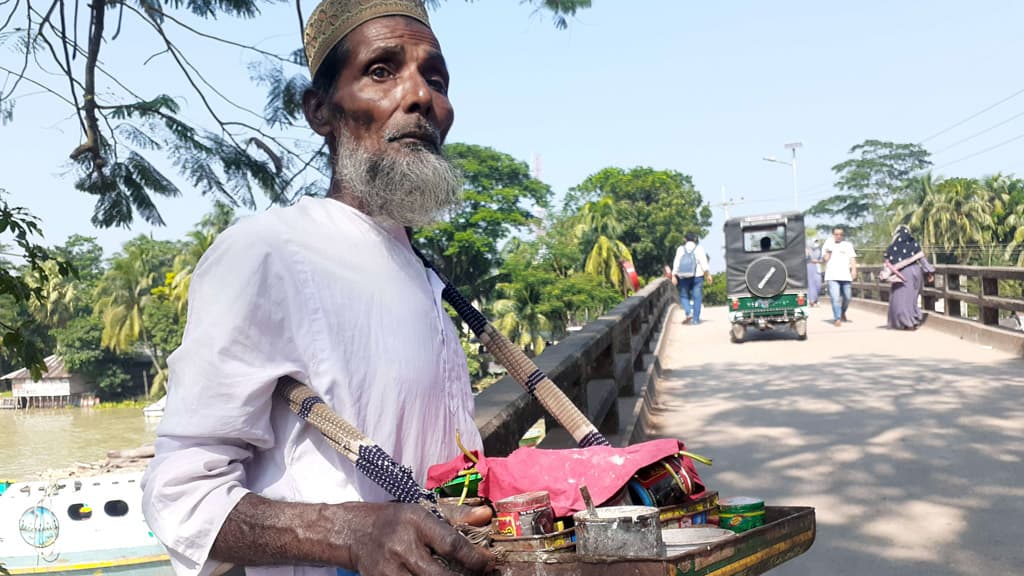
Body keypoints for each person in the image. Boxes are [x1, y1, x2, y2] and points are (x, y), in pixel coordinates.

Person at [141, 2, 495, 575]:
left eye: (435, 78)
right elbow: (180, 497)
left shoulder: (422, 272)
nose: (419, 97)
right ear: (320, 110)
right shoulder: (268, 251)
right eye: (381, 71)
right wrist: (353, 532)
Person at [883, 225, 935, 330]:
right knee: (912, 298)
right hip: (916, 272)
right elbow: (922, 259)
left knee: (901, 299)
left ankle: (908, 323)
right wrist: (929, 272)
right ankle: (914, 319)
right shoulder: (913, 244)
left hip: (902, 274)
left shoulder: (893, 247)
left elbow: (888, 263)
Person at [672, 232, 711, 325]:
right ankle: (696, 320)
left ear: (684, 239)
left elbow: (676, 262)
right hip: (697, 276)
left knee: (684, 296)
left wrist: (674, 275)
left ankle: (688, 312)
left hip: (683, 276)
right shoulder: (699, 248)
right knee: (697, 297)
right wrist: (708, 274)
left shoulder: (680, 249)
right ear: (695, 239)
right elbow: (703, 262)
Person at [822, 226, 857, 327]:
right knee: (835, 298)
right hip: (832, 276)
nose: (839, 236)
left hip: (845, 275)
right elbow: (824, 259)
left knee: (848, 297)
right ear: (833, 235)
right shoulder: (827, 244)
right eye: (836, 234)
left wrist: (854, 270)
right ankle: (837, 318)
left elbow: (852, 258)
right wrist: (829, 251)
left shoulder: (847, 245)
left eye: (841, 234)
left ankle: (842, 312)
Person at [805, 239, 823, 306]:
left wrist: (818, 261)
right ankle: (811, 300)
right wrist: (807, 253)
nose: (816, 243)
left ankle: (815, 299)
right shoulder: (806, 249)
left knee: (818, 284)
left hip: (817, 267)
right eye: (815, 242)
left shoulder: (819, 250)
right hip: (809, 267)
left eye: (817, 242)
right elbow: (805, 258)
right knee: (811, 284)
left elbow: (822, 259)